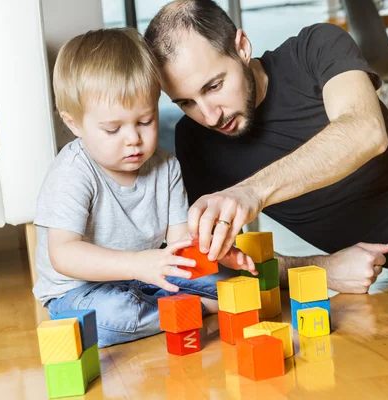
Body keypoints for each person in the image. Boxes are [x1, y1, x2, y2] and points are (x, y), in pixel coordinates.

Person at [144, 0, 388, 294]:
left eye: (214, 86)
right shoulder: (196, 141)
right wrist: (321, 268)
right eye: (185, 103)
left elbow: (365, 131)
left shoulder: (315, 47)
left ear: (241, 47)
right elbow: (217, 264)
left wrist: (251, 191)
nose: (209, 115)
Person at [32, 28, 256, 348]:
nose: (133, 139)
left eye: (145, 121)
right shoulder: (72, 173)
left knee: (234, 282)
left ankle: (179, 308)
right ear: (74, 124)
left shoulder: (166, 167)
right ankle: (197, 309)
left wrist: (215, 253)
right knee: (113, 316)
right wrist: (137, 264)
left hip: (152, 273)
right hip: (81, 290)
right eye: (113, 129)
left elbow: (181, 244)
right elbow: (64, 254)